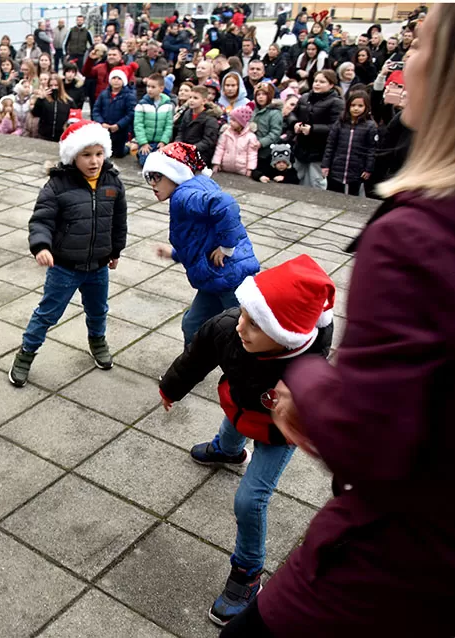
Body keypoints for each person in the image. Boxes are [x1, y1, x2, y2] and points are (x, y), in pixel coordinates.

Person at [222, 8, 455, 637]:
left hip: (399, 561)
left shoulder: (419, 234)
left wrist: (303, 370)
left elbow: (370, 438)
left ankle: (247, 571)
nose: (405, 67)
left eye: (423, 45)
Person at [161, 255, 334, 627]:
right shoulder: (228, 327)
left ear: (287, 335)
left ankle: (248, 572)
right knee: (235, 419)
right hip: (242, 400)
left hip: (276, 428)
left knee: (249, 499)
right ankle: (227, 450)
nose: (241, 325)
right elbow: (197, 355)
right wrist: (171, 386)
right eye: (244, 313)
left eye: (256, 324)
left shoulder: (306, 371)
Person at [11, 120, 126, 384]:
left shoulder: (113, 182)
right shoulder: (58, 185)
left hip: (98, 266)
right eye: (86, 155)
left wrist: (116, 250)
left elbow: (119, 221)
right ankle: (26, 353)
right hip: (64, 267)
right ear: (73, 156)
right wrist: (41, 246)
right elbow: (41, 220)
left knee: (98, 310)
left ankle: (97, 341)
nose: (94, 161)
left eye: (98, 154)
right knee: (47, 313)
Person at [143, 142, 259, 344]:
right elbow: (198, 240)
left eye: (157, 176)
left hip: (230, 278)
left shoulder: (183, 195)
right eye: (149, 177)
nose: (152, 183)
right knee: (193, 324)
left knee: (241, 334)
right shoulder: (192, 189)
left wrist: (226, 247)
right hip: (215, 277)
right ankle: (190, 369)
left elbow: (225, 204)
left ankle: (245, 373)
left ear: (174, 172)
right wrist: (173, 254)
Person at [291, 69, 343, 189]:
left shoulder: (336, 103)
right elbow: (292, 114)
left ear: (331, 85)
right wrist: (295, 123)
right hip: (301, 147)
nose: (317, 84)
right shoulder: (304, 97)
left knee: (316, 181)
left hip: (320, 150)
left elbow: (335, 127)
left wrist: (313, 129)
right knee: (298, 177)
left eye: (322, 82)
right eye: (316, 81)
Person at [322, 90, 377, 196]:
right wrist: (326, 165)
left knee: (353, 195)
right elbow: (330, 145)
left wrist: (368, 168)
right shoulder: (340, 123)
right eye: (353, 105)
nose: (356, 108)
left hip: (356, 169)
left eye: (360, 106)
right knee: (333, 194)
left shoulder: (370, 126)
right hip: (337, 167)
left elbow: (371, 149)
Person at [92, 66, 137, 157]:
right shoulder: (104, 94)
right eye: (114, 78)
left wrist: (118, 125)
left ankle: (127, 147)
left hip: (120, 131)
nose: (116, 81)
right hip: (105, 129)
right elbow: (96, 110)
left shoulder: (129, 96)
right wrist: (101, 122)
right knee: (105, 152)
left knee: (118, 154)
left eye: (119, 78)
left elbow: (130, 114)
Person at [134, 73, 174, 166]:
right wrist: (143, 142)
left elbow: (168, 125)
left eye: (153, 87)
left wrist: (163, 141)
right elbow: (138, 125)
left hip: (159, 142)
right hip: (146, 142)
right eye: (148, 86)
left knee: (161, 164)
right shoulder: (142, 104)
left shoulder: (167, 105)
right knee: (146, 163)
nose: (149, 89)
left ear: (161, 88)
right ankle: (140, 153)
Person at [176, 86, 222, 164]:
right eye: (190, 97)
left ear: (204, 101)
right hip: (185, 150)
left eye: (195, 98)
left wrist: (191, 149)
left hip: (201, 155)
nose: (191, 100)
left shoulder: (210, 119)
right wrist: (178, 144)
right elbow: (181, 132)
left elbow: (208, 141)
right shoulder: (187, 113)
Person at [213, 101, 259, 177]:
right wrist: (216, 163)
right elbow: (220, 148)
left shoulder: (251, 137)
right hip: (225, 168)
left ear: (242, 123)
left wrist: (250, 169)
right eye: (230, 119)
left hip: (242, 170)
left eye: (234, 120)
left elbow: (252, 154)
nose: (230, 122)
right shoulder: (226, 133)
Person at [31, 72, 74, 142]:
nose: (53, 87)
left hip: (61, 137)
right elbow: (35, 113)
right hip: (44, 136)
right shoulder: (44, 100)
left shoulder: (68, 101)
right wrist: (40, 99)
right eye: (51, 85)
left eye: (56, 85)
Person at [252, 83, 283, 171]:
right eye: (258, 94)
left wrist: (261, 142)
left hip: (266, 152)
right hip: (252, 149)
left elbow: (275, 133)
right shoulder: (253, 110)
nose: (261, 97)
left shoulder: (275, 113)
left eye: (264, 94)